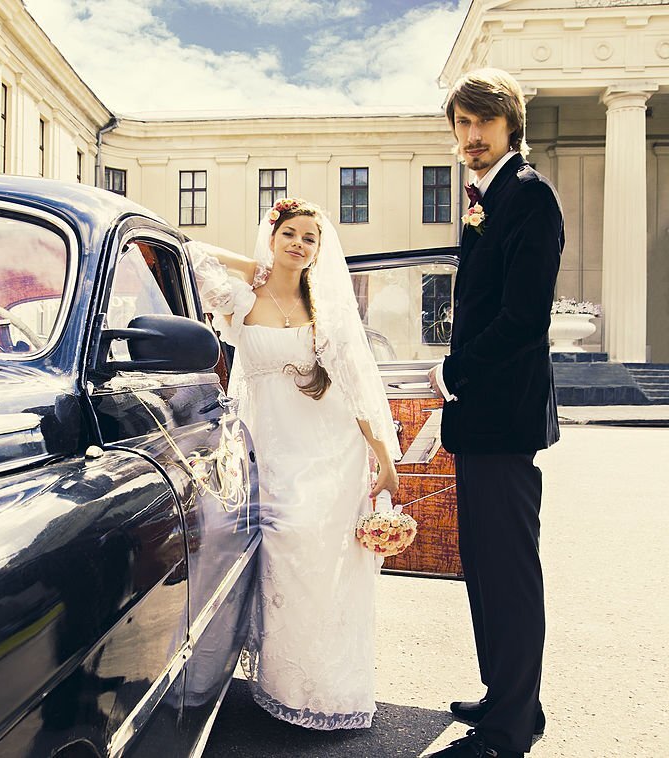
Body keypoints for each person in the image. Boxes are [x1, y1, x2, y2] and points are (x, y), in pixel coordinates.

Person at [186, 197, 401, 730]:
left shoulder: (325, 312)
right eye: (291, 233)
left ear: (319, 251)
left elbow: (354, 387)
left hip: (329, 455)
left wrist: (384, 460)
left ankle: (324, 691)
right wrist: (251, 264)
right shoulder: (239, 298)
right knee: (276, 561)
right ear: (273, 235)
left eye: (311, 238)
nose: (300, 244)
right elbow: (193, 252)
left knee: (315, 565)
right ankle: (280, 683)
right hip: (267, 452)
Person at [427, 68, 563, 758]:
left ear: (510, 125)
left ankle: (512, 725)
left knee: (508, 568)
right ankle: (505, 693)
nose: (471, 136)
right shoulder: (486, 198)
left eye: (482, 122)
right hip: (480, 417)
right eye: (461, 124)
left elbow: (523, 317)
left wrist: (454, 368)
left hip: (504, 418)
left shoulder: (531, 198)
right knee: (481, 563)